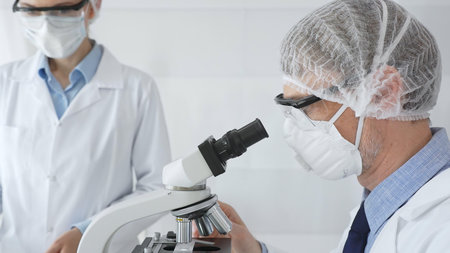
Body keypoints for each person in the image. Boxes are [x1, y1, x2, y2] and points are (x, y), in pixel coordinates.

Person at [196, 0, 450, 252]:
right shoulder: (380, 206)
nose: (293, 130)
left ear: (383, 92)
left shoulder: (442, 229)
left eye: (306, 107)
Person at [0, 0, 171, 252]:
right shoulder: (5, 83)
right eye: (32, 10)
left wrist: (90, 231)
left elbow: (156, 186)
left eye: (60, 10)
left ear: (91, 7)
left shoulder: (137, 89)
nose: (46, 24)